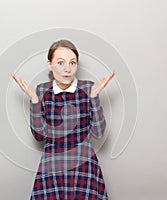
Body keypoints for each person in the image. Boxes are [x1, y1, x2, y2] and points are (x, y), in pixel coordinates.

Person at [12, 39, 115, 200]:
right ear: (50, 64)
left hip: (84, 166)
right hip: (52, 165)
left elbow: (99, 133)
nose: (67, 69)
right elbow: (40, 137)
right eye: (60, 63)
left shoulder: (88, 88)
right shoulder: (42, 90)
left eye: (72, 63)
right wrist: (34, 100)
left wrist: (94, 97)